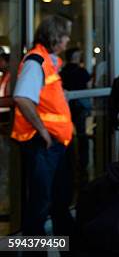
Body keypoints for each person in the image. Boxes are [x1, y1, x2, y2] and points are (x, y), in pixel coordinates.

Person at [11, 16, 75, 238]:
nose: (68, 40)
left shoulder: (47, 61)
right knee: (39, 207)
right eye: (65, 35)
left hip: (54, 144)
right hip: (42, 144)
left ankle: (64, 248)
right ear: (55, 36)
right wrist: (44, 132)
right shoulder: (35, 61)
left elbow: (42, 97)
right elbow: (22, 98)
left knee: (58, 200)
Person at [60, 48, 92, 185]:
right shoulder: (82, 71)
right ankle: (83, 164)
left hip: (66, 106)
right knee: (82, 134)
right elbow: (89, 87)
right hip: (79, 107)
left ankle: (69, 161)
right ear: (76, 57)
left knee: (68, 136)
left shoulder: (62, 72)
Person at [0, 48, 12, 124]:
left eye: (1, 61)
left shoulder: (11, 78)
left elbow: (10, 99)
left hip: (6, 115)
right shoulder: (3, 77)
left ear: (8, 62)